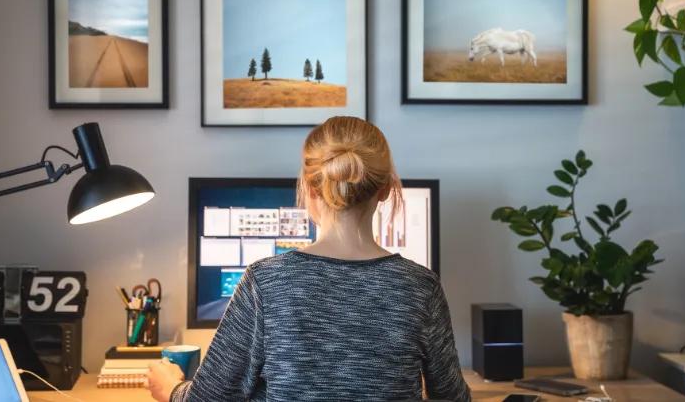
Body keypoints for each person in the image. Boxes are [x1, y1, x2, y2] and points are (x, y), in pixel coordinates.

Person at [146, 116, 471, 402]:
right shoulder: (421, 286)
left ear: (310, 189)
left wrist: (170, 389)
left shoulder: (265, 281)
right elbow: (453, 396)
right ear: (385, 190)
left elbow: (211, 399)